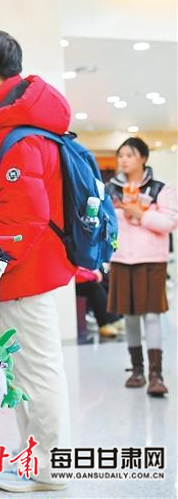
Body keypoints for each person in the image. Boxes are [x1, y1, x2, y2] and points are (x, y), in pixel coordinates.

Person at [0, 30, 74, 493]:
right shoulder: (19, 124)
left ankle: (52, 469)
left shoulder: (17, 136)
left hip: (25, 274)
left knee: (38, 371)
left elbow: (24, 220)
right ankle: (40, 464)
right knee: (32, 370)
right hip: (28, 272)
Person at [106, 137, 177, 396]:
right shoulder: (110, 190)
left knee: (152, 315)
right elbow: (106, 224)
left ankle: (156, 375)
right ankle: (137, 370)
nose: (124, 160)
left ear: (143, 158)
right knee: (130, 316)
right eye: (121, 155)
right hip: (121, 259)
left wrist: (140, 214)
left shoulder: (160, 188)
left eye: (130, 155)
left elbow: (170, 223)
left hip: (152, 261)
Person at [75, 267, 123, 338]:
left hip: (86, 271)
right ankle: (106, 323)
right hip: (77, 277)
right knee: (95, 287)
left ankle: (116, 317)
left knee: (108, 281)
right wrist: (94, 271)